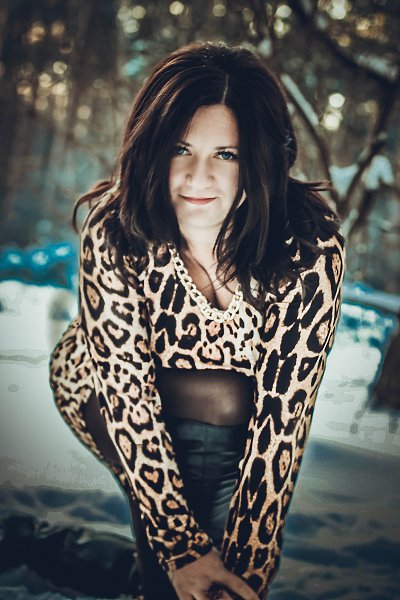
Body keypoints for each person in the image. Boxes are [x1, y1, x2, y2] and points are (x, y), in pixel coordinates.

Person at [49, 40, 346, 600]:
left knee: (209, 566)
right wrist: (184, 551)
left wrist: (247, 573)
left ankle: (92, 559)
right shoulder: (117, 230)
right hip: (105, 395)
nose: (197, 176)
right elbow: (128, 397)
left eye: (226, 154)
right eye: (180, 148)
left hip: (233, 421)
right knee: (175, 549)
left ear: (258, 158)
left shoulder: (307, 248)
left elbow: (282, 422)